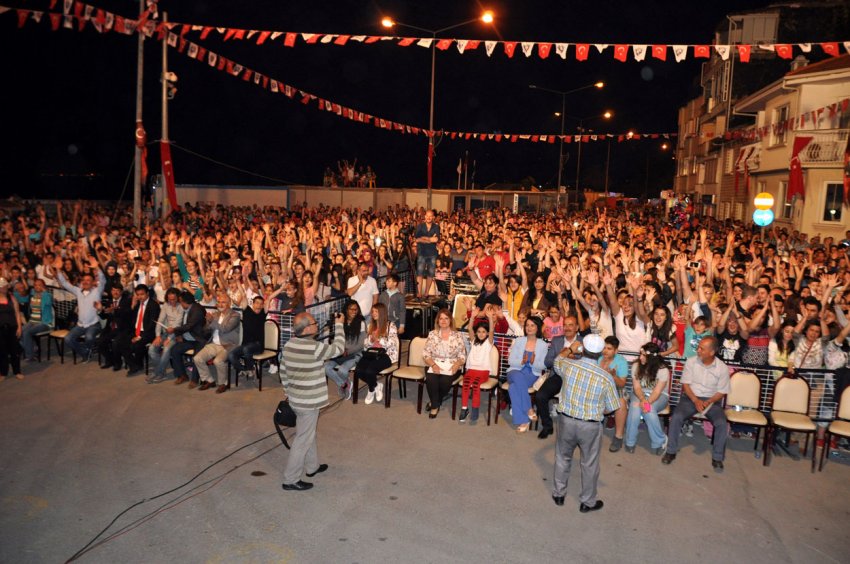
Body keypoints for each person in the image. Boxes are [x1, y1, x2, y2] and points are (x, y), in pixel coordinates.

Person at [551, 333, 620, 513]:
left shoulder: (569, 366)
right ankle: (587, 502)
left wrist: (570, 348)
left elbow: (557, 361)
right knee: (589, 463)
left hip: (566, 420)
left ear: (583, 349)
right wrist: (597, 410)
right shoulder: (606, 378)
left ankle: (559, 494)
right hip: (590, 425)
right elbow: (612, 407)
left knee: (562, 457)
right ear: (599, 353)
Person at [280, 311, 346, 491]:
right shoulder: (314, 348)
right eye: (314, 323)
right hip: (308, 402)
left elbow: (283, 371)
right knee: (303, 439)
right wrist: (339, 325)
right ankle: (290, 479)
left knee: (308, 433)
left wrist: (287, 391)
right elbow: (339, 349)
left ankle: (312, 467)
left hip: (295, 399)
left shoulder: (289, 345)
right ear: (307, 328)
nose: (317, 325)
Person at [662, 336, 730, 473]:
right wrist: (696, 400)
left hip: (712, 401)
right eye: (698, 347)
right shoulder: (691, 362)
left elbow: (722, 391)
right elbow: (686, 384)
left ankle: (717, 457)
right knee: (676, 417)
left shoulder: (722, 368)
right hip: (690, 398)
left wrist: (708, 402)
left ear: (712, 352)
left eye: (701, 349)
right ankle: (671, 450)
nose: (697, 350)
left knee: (722, 423)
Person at [538, 314, 581, 439]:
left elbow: (588, 361)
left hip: (576, 378)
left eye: (570, 325)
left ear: (577, 327)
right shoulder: (557, 340)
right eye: (565, 325)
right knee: (541, 396)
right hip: (558, 375)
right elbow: (547, 361)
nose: (567, 328)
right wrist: (562, 356)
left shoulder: (583, 341)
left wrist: (574, 358)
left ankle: (575, 430)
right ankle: (547, 426)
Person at [55, 254, 105, 362]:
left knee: (89, 337)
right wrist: (58, 269)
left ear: (92, 283)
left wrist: (97, 267)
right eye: (84, 280)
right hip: (80, 325)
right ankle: (86, 351)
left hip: (94, 325)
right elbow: (64, 283)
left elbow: (103, 280)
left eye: (88, 280)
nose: (86, 282)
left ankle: (87, 351)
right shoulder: (78, 291)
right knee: (68, 339)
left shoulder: (97, 291)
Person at [624, 343, 671, 455]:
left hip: (659, 396)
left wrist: (647, 402)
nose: (640, 357)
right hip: (639, 393)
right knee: (635, 408)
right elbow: (636, 387)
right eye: (640, 354)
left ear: (652, 358)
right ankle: (630, 441)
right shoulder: (636, 366)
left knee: (649, 410)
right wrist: (642, 399)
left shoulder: (663, 370)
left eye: (643, 355)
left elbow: (657, 391)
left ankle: (660, 441)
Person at [505, 315, 548, 433]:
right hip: (515, 370)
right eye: (527, 325)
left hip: (532, 373)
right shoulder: (519, 341)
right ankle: (529, 408)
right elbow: (510, 361)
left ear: (537, 328)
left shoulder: (543, 345)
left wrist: (534, 363)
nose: (529, 327)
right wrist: (522, 362)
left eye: (532, 325)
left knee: (513, 387)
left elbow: (543, 366)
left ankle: (523, 420)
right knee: (518, 377)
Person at [422, 308, 467, 419]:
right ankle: (435, 406)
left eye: (446, 318)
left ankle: (434, 402)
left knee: (445, 381)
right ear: (437, 321)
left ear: (450, 320)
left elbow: (462, 356)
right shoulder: (432, 334)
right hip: (434, 363)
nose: (443, 321)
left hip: (452, 365)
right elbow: (425, 354)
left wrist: (456, 365)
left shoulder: (458, 335)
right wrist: (433, 365)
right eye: (441, 318)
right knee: (431, 380)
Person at [192, 292, 241, 393]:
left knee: (218, 361)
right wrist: (208, 322)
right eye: (218, 302)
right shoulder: (215, 314)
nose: (220, 304)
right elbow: (205, 330)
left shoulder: (235, 315)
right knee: (197, 358)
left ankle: (223, 383)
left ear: (229, 303)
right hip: (213, 344)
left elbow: (225, 329)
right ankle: (209, 380)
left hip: (228, 345)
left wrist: (212, 321)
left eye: (223, 302)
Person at [353, 302, 399, 405]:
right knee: (359, 370)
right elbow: (366, 345)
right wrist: (371, 341)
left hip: (386, 355)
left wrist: (379, 339)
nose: (373, 314)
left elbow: (393, 343)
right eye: (372, 311)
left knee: (370, 371)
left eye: (376, 311)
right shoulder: (371, 326)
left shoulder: (390, 325)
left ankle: (370, 390)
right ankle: (376, 386)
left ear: (382, 313)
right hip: (372, 353)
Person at [459, 309, 496, 425]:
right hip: (471, 370)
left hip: (483, 371)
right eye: (479, 331)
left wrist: (490, 318)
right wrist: (472, 317)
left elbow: (491, 330)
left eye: (483, 332)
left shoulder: (489, 343)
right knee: (465, 384)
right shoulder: (473, 340)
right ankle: (464, 408)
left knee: (475, 385)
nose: (481, 334)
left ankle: (475, 408)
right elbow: (470, 328)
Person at [324, 300, 366, 399]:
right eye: (351, 309)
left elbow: (361, 344)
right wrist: (340, 350)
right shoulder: (340, 321)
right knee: (325, 367)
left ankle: (342, 385)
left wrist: (346, 350)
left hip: (354, 353)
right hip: (341, 352)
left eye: (356, 309)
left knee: (342, 370)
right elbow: (335, 339)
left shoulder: (361, 323)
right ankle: (343, 384)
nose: (354, 311)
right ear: (346, 310)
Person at [168, 291, 209, 387]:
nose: (179, 303)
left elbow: (189, 326)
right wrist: (179, 335)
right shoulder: (186, 308)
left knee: (196, 356)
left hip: (198, 339)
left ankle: (195, 379)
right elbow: (183, 325)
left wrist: (174, 330)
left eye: (180, 301)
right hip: (188, 338)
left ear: (184, 301)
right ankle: (182, 375)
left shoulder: (197, 310)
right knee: (174, 350)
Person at [598, 336, 630, 452]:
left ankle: (618, 437)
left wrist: (613, 376)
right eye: (604, 348)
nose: (605, 351)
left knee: (621, 402)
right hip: (600, 388)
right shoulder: (598, 358)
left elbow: (622, 384)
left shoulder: (621, 361)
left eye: (609, 348)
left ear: (616, 351)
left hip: (617, 389)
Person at [120, 284, 160, 376]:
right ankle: (135, 365)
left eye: (142, 294)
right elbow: (130, 319)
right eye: (137, 295)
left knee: (137, 345)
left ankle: (137, 364)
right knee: (121, 342)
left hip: (148, 333)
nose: (140, 297)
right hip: (136, 330)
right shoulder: (137, 304)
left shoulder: (154, 305)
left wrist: (140, 337)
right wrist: (132, 307)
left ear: (147, 293)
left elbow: (152, 325)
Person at [147, 287, 183, 383]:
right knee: (151, 349)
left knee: (166, 349)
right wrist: (158, 336)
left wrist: (169, 338)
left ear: (178, 298)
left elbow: (178, 324)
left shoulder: (181, 307)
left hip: (176, 334)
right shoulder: (166, 306)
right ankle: (160, 371)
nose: (171, 301)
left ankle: (159, 373)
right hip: (165, 332)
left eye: (173, 299)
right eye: (169, 299)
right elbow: (160, 321)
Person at [228, 295, 266, 382]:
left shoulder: (263, 314)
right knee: (231, 355)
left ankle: (250, 369)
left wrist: (282, 288)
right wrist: (238, 282)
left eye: (261, 304)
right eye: (257, 303)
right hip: (246, 344)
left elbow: (270, 297)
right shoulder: (247, 311)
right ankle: (244, 370)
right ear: (253, 303)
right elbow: (243, 295)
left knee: (246, 349)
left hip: (258, 345)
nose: (259, 305)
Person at [95, 283, 132, 372]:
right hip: (111, 327)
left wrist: (114, 311)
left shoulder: (126, 301)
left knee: (116, 343)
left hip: (123, 328)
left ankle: (117, 363)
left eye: (117, 291)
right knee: (100, 342)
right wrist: (100, 310)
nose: (115, 292)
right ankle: (110, 360)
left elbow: (126, 315)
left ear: (121, 292)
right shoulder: (109, 302)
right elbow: (104, 316)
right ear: (111, 291)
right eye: (113, 290)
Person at [16, 278, 54, 362]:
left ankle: (30, 356)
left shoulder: (47, 295)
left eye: (39, 285)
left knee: (27, 332)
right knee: (19, 332)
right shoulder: (32, 295)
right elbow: (21, 299)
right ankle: (33, 348)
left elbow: (49, 302)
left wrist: (44, 292)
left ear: (44, 286)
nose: (37, 286)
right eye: (36, 285)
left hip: (44, 323)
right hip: (32, 321)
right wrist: (16, 291)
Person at [0, 278, 23, 381]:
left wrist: (19, 327)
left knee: (14, 350)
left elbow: (17, 313)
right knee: (2, 351)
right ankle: (3, 372)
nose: (5, 288)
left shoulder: (12, 298)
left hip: (12, 327)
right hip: (0, 329)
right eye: (3, 287)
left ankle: (17, 371)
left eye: (5, 286)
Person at [414, 209, 440, 298]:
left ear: (433, 217)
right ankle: (419, 293)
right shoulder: (420, 226)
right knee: (420, 273)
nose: (429, 217)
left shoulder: (436, 227)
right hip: (421, 252)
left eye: (430, 216)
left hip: (432, 253)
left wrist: (423, 238)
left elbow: (436, 239)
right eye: (427, 216)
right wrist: (429, 239)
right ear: (425, 217)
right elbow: (416, 239)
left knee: (430, 273)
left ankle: (426, 293)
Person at [347, 261, 379, 325]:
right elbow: (350, 293)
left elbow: (375, 296)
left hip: (369, 315)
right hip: (356, 314)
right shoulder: (351, 280)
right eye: (364, 271)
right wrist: (360, 282)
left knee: (368, 333)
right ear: (358, 271)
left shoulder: (372, 280)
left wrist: (372, 310)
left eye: (367, 270)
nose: (366, 272)